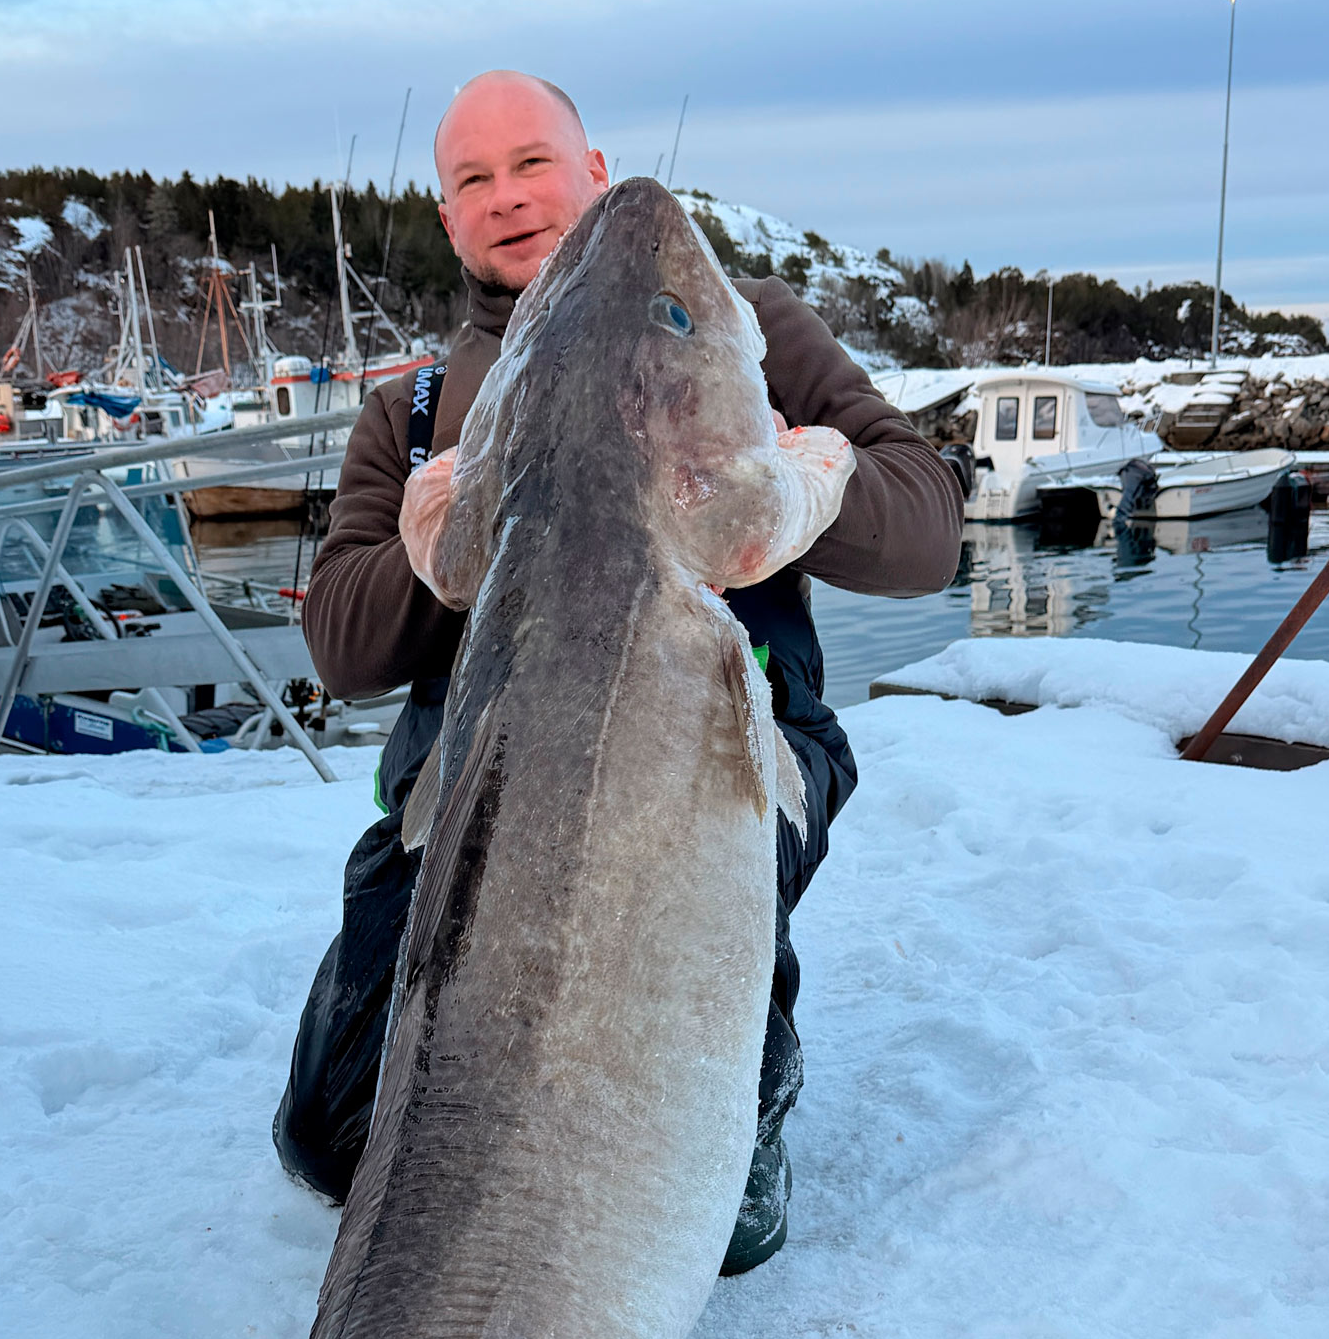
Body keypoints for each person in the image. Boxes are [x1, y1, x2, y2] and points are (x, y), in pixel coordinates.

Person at [276, 71, 963, 1271]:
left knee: (700, 1215)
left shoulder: (730, 323)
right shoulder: (418, 409)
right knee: (339, 1135)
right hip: (481, 789)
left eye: (532, 161)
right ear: (448, 216)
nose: (507, 198)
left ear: (593, 171)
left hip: (711, 760)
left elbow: (927, 529)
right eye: (472, 180)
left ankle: (751, 1055)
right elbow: (340, 644)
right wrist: (432, 560)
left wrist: (785, 496)